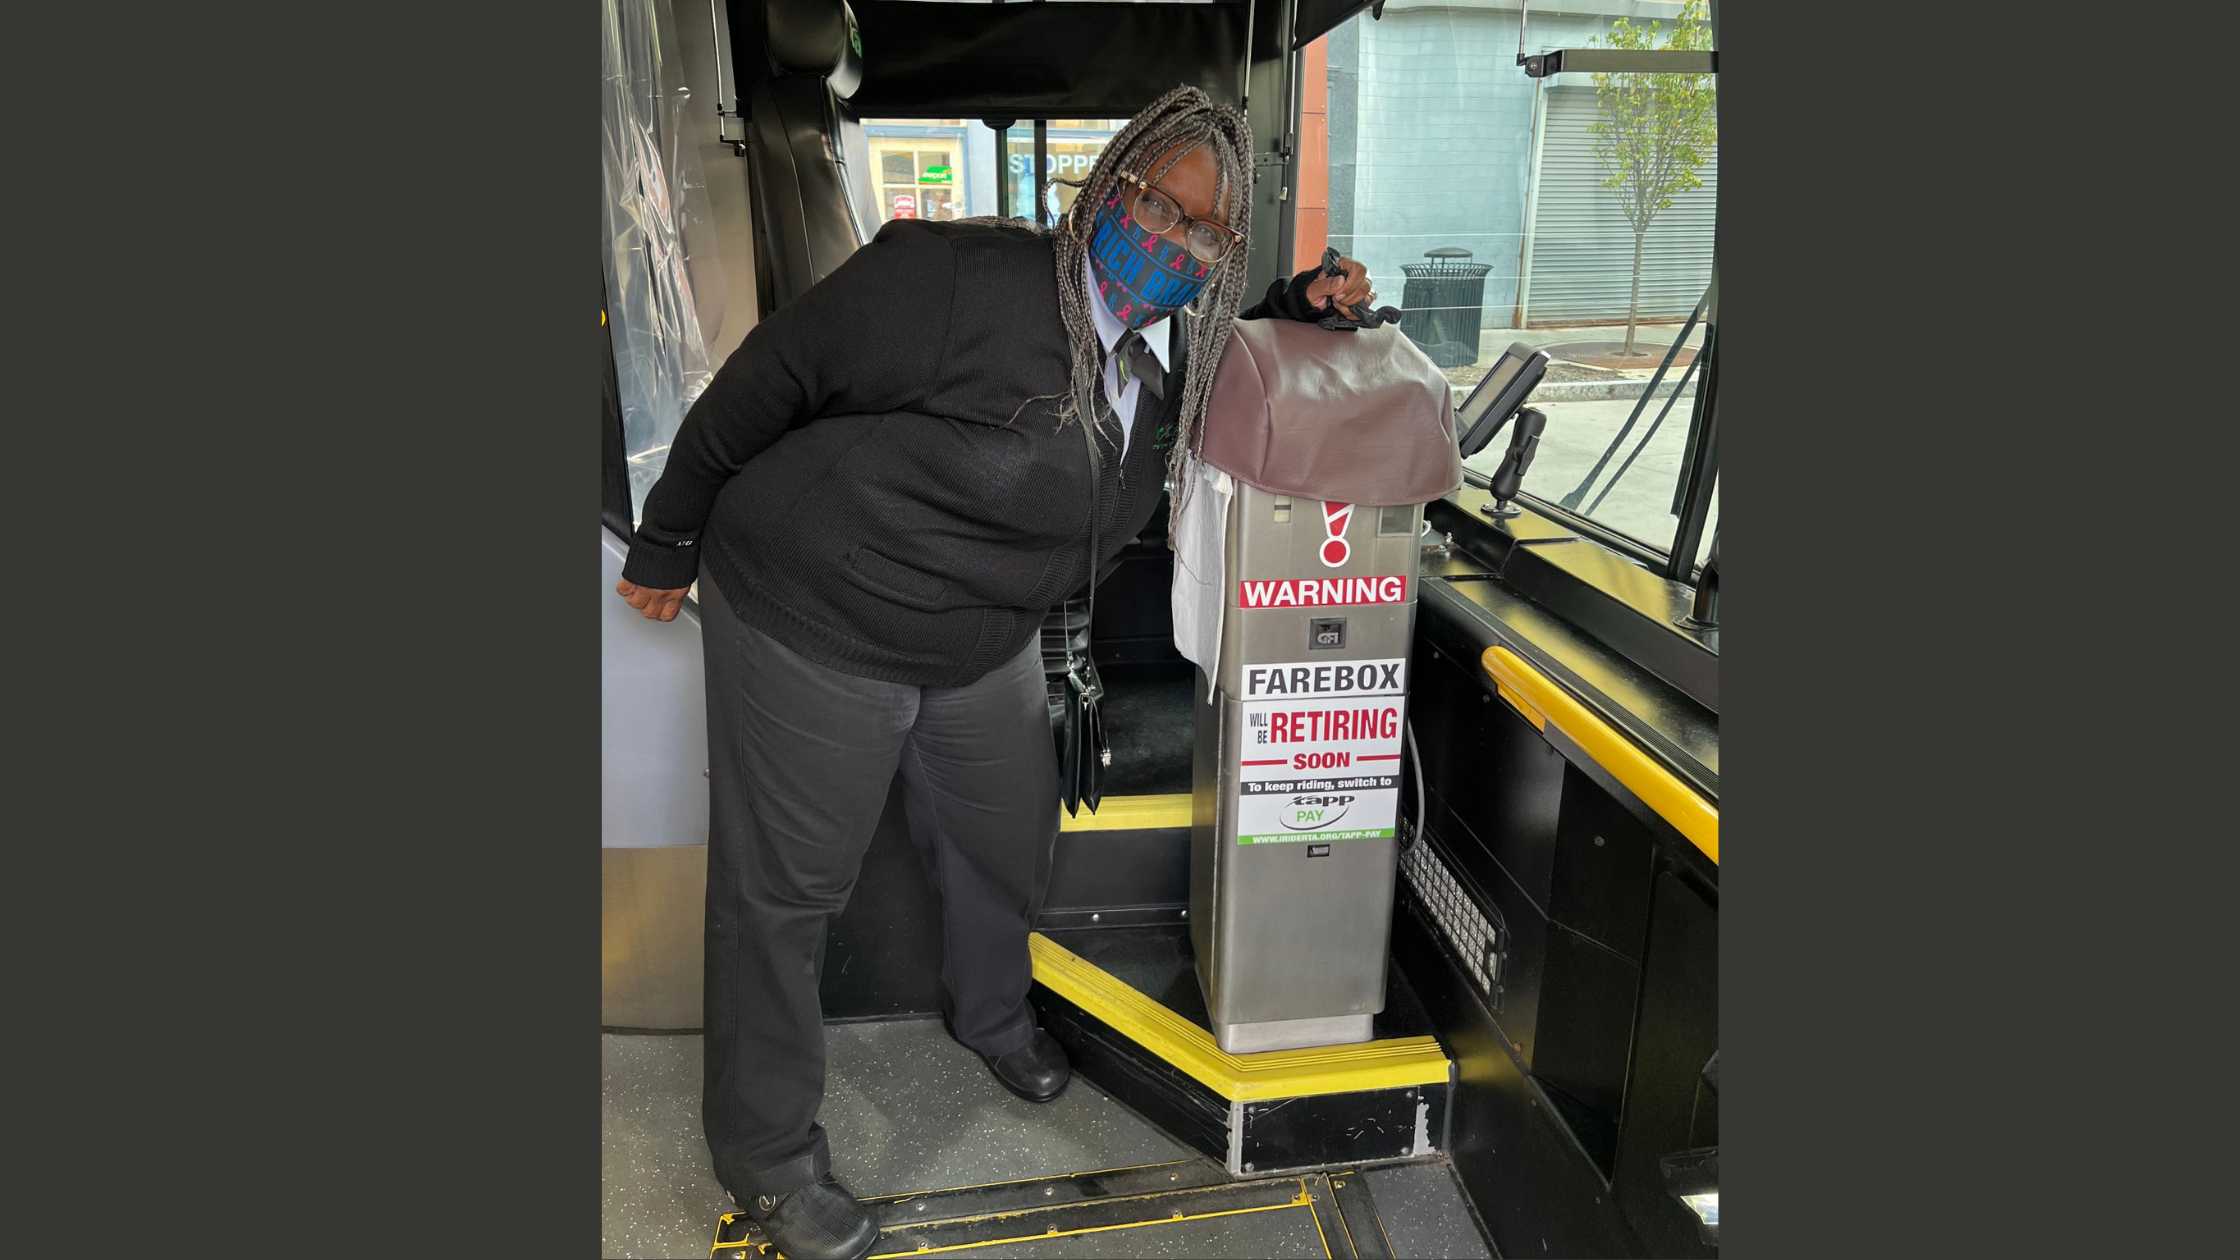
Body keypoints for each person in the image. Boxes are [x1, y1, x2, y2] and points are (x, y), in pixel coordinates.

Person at [615, 85, 1375, 1260]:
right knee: (784, 895)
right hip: (821, 614)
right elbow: (769, 376)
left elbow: (1230, 353)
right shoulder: (956, 279)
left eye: (1204, 235)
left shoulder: (1180, 355)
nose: (1168, 243)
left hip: (981, 637)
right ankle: (765, 1155)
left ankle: (988, 1015)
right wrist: (668, 535)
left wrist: (1297, 311)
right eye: (1151, 206)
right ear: (1105, 185)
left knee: (1007, 836)